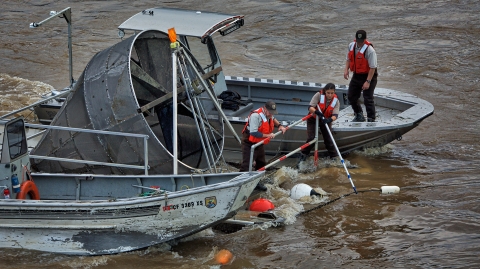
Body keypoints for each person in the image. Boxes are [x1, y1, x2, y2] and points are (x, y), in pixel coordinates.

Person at [239, 101, 287, 173]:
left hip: (259, 142)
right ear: (265, 108)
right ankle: (240, 181)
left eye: (272, 112)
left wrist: (280, 126)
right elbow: (253, 132)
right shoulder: (255, 116)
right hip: (249, 142)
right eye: (270, 112)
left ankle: (258, 181)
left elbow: (273, 119)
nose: (271, 114)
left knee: (261, 164)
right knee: (246, 165)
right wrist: (268, 135)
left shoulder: (269, 114)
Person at [298, 83, 340, 163]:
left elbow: (335, 115)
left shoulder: (336, 101)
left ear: (334, 92)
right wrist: (316, 112)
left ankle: (334, 157)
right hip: (313, 119)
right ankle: (303, 154)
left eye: (332, 93)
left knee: (329, 139)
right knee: (312, 138)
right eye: (328, 93)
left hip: (325, 120)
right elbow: (310, 107)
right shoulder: (318, 95)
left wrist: (329, 120)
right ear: (325, 91)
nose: (330, 95)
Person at [344, 29, 378, 122]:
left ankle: (371, 118)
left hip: (369, 75)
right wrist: (346, 70)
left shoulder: (370, 50)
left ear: (365, 39)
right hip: (357, 75)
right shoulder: (351, 46)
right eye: (358, 41)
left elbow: (372, 67)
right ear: (355, 39)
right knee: (351, 96)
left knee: (368, 98)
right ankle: (359, 114)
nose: (359, 44)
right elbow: (348, 59)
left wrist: (368, 82)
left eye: (361, 42)